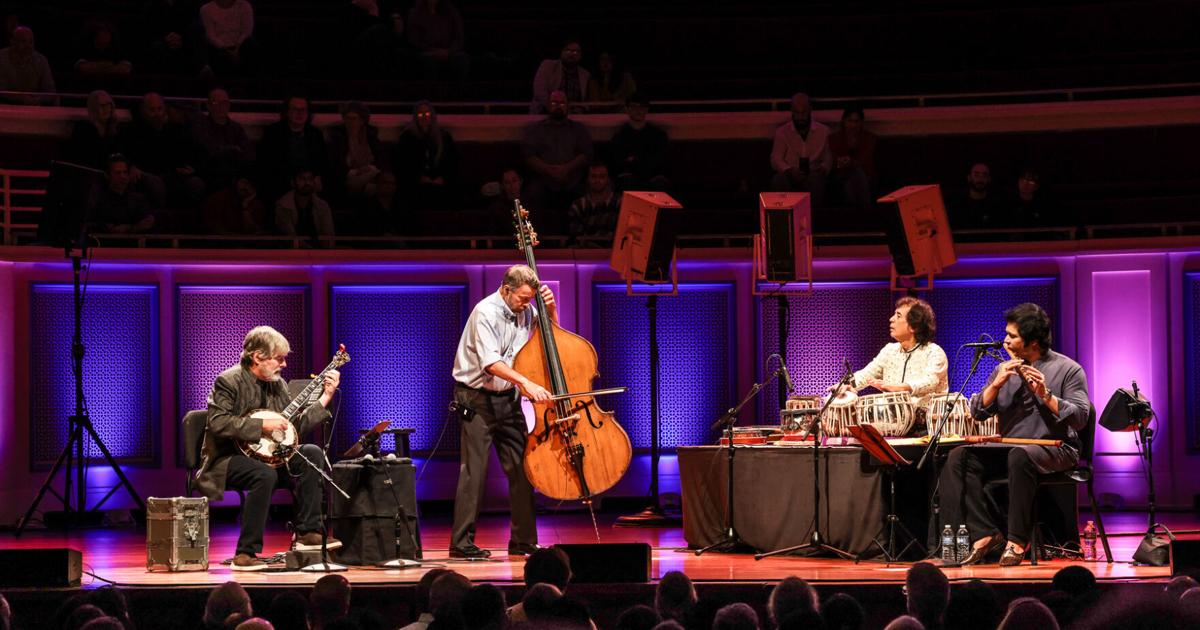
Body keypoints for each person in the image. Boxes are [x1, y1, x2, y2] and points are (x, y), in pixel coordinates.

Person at [940, 303, 1090, 566]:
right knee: (958, 457)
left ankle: (1017, 541)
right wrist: (996, 385)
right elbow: (977, 412)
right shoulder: (1003, 370)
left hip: (1055, 448)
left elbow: (1080, 418)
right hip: (1009, 448)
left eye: (1012, 336)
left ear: (1032, 342)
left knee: (1020, 456)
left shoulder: (1068, 369)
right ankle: (986, 534)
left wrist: (1046, 395)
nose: (1004, 340)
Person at [194, 326, 342, 570]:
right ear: (258, 357)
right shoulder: (228, 381)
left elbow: (294, 429)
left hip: (269, 456)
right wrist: (261, 425)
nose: (284, 365)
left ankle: (307, 533)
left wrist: (326, 397)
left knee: (311, 454)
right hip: (227, 458)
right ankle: (245, 554)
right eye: (279, 358)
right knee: (264, 474)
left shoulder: (278, 385)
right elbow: (219, 423)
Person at [449, 264, 555, 559]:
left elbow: (550, 338)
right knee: (475, 473)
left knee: (523, 469)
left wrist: (550, 310)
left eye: (530, 299)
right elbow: (491, 363)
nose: (526, 304)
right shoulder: (485, 313)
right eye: (522, 298)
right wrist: (527, 384)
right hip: (476, 399)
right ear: (506, 290)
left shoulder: (527, 310)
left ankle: (523, 541)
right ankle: (461, 544)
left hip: (506, 399)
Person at [850, 296, 949, 429]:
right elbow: (867, 374)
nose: (891, 319)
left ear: (914, 326)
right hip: (892, 424)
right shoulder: (889, 350)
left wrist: (901, 388)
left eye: (898, 316)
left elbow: (930, 381)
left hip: (926, 429)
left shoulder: (934, 352)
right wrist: (845, 386)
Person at [521, 90, 593, 223]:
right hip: (544, 181)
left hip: (572, 181)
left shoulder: (578, 129)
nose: (558, 106)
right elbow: (528, 155)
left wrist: (567, 168)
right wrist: (548, 169)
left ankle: (581, 239)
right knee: (532, 193)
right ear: (548, 105)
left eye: (561, 103)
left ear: (567, 106)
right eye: (554, 103)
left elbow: (587, 153)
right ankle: (536, 240)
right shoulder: (536, 129)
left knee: (588, 192)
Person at [770, 92, 831, 208]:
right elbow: (776, 158)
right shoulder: (782, 132)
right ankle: (785, 218)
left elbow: (828, 157)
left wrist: (822, 170)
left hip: (813, 174)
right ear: (791, 111)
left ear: (810, 110)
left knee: (816, 181)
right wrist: (789, 170)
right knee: (779, 180)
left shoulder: (824, 131)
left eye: (803, 113)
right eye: (797, 113)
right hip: (790, 174)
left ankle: (813, 220)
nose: (800, 117)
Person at [394, 100, 458, 211]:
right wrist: (418, 177)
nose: (424, 117)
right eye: (420, 114)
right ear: (415, 117)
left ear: (432, 116)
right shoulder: (407, 137)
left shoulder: (444, 137)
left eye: (427, 114)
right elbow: (402, 163)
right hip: (414, 181)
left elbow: (452, 161)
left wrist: (442, 178)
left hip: (440, 180)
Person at [608, 93, 669, 192]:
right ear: (627, 109)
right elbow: (619, 163)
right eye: (634, 106)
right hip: (629, 180)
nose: (638, 110)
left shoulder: (658, 135)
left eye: (642, 106)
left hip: (652, 177)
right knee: (626, 182)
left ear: (647, 109)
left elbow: (659, 160)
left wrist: (635, 160)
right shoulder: (620, 136)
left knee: (659, 183)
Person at [328, 101, 384, 201]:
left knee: (372, 183)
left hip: (369, 172)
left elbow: (380, 157)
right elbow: (335, 163)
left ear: (362, 120)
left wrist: (369, 167)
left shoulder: (370, 134)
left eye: (354, 118)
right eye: (347, 118)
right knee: (371, 187)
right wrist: (354, 172)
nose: (350, 122)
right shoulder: (338, 136)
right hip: (348, 176)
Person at [827, 105, 877, 210]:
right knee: (849, 177)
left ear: (861, 123)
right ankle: (863, 212)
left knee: (854, 175)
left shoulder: (870, 138)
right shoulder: (834, 138)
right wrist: (844, 163)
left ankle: (854, 214)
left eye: (856, 121)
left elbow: (865, 160)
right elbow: (834, 159)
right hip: (840, 174)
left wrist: (850, 162)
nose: (853, 125)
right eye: (850, 121)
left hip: (865, 175)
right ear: (844, 121)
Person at [92, 154, 155, 234]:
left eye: (125, 172)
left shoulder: (138, 199)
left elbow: (147, 223)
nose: (123, 176)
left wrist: (130, 228)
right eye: (118, 173)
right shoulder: (99, 200)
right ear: (108, 176)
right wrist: (134, 227)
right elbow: (107, 228)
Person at [0, 25, 57, 105]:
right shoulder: (1, 58)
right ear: (12, 42)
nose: (28, 46)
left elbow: (50, 90)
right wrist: (20, 98)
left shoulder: (41, 61)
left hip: (33, 109)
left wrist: (37, 100)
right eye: (23, 41)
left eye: (31, 42)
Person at [275, 168, 335, 243]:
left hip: (319, 251)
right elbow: (290, 236)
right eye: (302, 179)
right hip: (292, 251)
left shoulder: (322, 206)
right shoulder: (283, 206)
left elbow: (328, 235)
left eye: (310, 179)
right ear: (293, 183)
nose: (307, 182)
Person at [567, 162, 620, 245]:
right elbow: (576, 235)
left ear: (608, 179)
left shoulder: (620, 203)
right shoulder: (578, 206)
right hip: (586, 252)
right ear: (588, 179)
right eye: (593, 176)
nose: (597, 180)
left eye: (602, 177)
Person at [531, 39, 589, 114]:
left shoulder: (585, 75)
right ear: (561, 52)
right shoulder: (548, 66)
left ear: (581, 55)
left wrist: (581, 109)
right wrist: (555, 108)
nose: (572, 54)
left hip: (574, 117)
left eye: (576, 51)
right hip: (544, 114)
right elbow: (539, 92)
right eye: (568, 50)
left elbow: (587, 100)